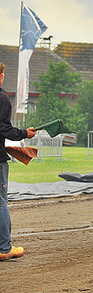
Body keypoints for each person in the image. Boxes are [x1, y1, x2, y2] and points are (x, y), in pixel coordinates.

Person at [0, 62, 37, 261]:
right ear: (1, 76)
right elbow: (4, 129)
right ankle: (5, 247)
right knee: (1, 203)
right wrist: (24, 134)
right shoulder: (3, 99)